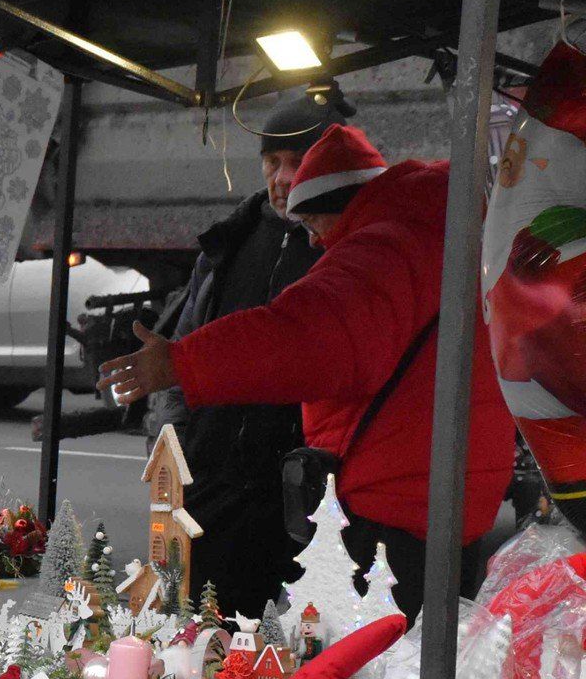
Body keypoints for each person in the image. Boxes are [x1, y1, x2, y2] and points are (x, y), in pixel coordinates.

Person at [100, 123, 516, 617]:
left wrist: (181, 362)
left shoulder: (383, 246)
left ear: (336, 205)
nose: (316, 244)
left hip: (396, 504)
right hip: (446, 491)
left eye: (315, 227)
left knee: (369, 671)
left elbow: (300, 335)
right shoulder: (442, 225)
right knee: (420, 666)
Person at [143, 86, 348, 617]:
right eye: (271, 162)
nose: (282, 178)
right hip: (215, 482)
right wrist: (171, 452)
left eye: (298, 162)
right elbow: (185, 349)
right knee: (205, 641)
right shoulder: (229, 242)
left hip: (300, 496)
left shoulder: (344, 249)